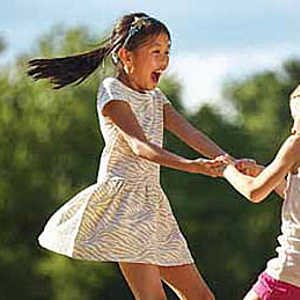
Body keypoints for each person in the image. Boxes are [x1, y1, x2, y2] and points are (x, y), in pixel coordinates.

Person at [28, 12, 247, 299]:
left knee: (201, 297)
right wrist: (193, 167)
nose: (164, 60)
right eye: (155, 52)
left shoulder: (156, 98)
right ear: (126, 56)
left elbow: (191, 133)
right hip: (125, 207)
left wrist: (229, 162)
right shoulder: (112, 91)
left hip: (153, 203)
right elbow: (139, 146)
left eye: (167, 51)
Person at [223, 85, 300, 299]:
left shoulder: (296, 144)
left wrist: (226, 169)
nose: (293, 128)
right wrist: (263, 172)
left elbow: (254, 192)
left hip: (285, 278)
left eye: (297, 117)